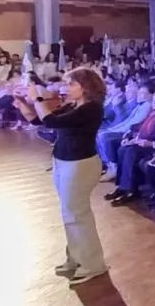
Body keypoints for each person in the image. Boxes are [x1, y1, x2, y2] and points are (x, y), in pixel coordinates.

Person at [12, 67, 109, 286]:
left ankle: (93, 264)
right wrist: (24, 104)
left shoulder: (92, 109)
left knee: (77, 214)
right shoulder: (73, 106)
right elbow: (41, 121)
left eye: (71, 84)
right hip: (63, 161)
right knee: (69, 213)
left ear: (86, 86)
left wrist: (37, 97)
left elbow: (52, 122)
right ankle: (76, 258)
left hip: (80, 164)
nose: (67, 88)